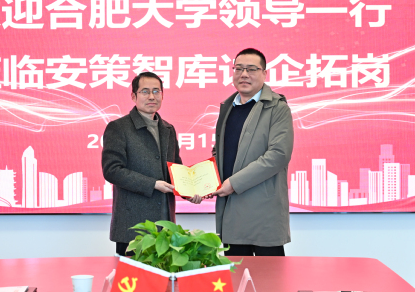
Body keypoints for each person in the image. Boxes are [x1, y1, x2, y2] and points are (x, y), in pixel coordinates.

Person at [102, 72, 200, 256]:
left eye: (156, 91)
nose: (152, 96)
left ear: (162, 95)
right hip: (132, 226)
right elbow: (112, 170)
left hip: (165, 225)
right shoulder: (119, 128)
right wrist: (153, 184)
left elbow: (175, 170)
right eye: (145, 91)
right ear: (134, 96)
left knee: (164, 274)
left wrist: (191, 191)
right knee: (133, 275)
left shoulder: (168, 129)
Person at [210, 48, 294, 256]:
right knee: (237, 273)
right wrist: (206, 179)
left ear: (264, 73)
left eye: (251, 69)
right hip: (232, 210)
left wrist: (233, 183)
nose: (244, 74)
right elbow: (220, 152)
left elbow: (278, 155)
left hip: (263, 211)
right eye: (238, 69)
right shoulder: (228, 107)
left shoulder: (277, 107)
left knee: (270, 274)